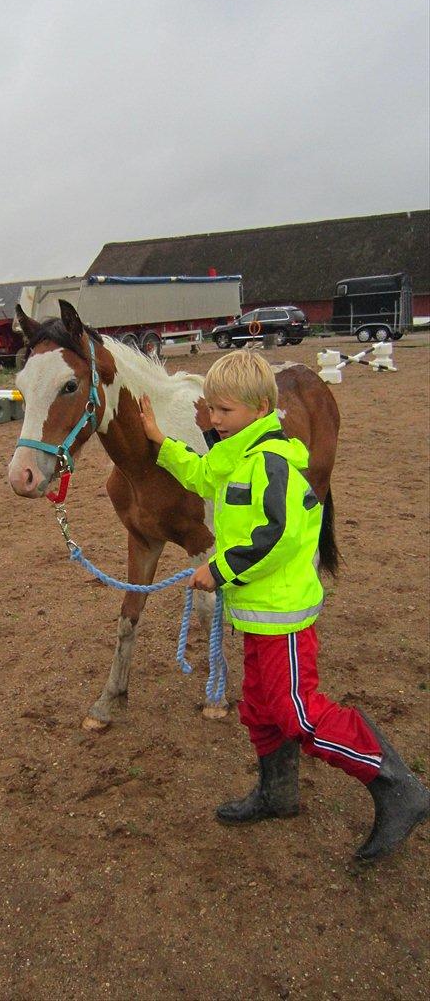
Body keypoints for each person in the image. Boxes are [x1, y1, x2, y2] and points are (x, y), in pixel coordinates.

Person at [139, 349, 429, 860]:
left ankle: (397, 785)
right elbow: (204, 475)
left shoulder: (271, 463)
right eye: (212, 408)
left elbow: (278, 535)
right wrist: (163, 443)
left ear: (258, 408)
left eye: (223, 410)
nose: (212, 419)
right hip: (257, 612)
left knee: (298, 712)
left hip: (282, 616)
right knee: (259, 705)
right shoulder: (237, 453)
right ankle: (278, 793)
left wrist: (220, 569)